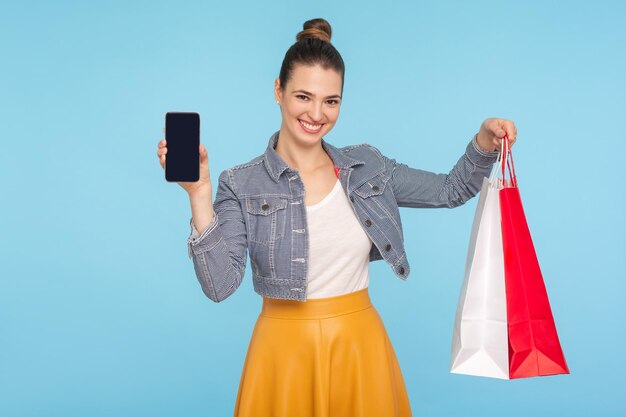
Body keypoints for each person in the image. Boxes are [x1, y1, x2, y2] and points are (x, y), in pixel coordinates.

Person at [156, 17, 517, 417]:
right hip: (282, 352)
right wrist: (199, 195)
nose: (316, 113)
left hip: (359, 345)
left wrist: (484, 142)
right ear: (278, 91)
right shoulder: (241, 183)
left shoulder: (369, 167)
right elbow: (220, 286)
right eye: (303, 97)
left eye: (331, 101)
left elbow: (451, 190)